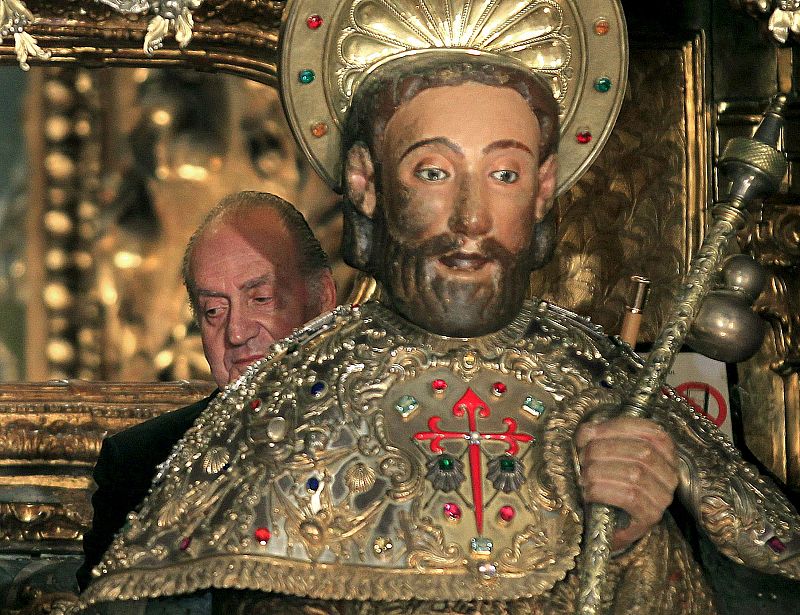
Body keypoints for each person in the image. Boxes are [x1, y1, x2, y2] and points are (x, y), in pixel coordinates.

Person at [67, 2, 800, 613]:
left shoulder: (611, 386)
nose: (471, 218)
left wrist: (635, 542)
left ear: (543, 188)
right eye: (433, 172)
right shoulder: (287, 401)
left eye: (504, 173)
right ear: (367, 183)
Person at [76, 191, 336, 591]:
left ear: (321, 300)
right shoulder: (139, 465)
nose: (236, 332)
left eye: (260, 299)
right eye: (214, 311)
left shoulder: (387, 436)